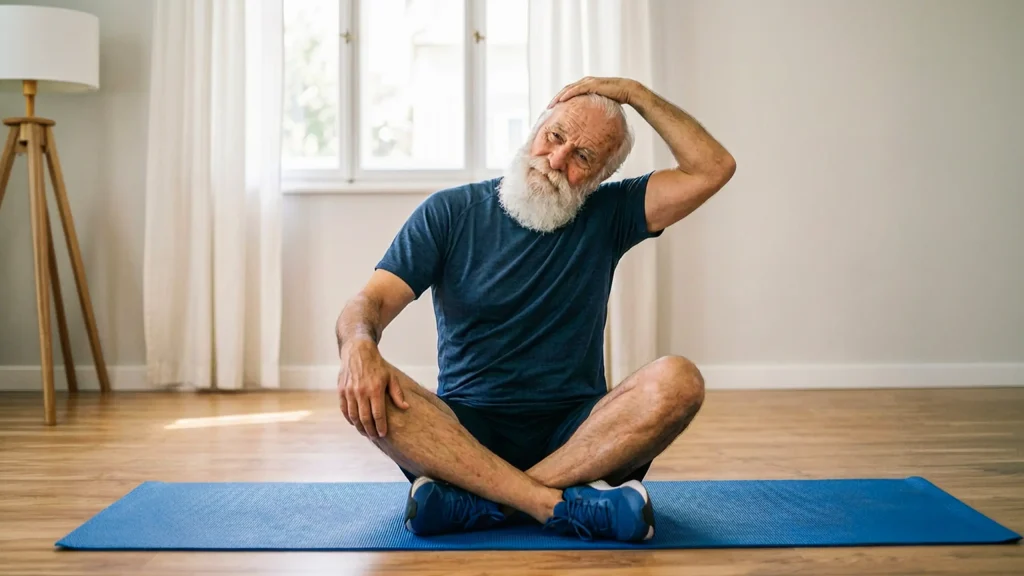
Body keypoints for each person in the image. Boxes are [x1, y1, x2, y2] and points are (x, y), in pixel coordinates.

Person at [335, 76, 735, 542]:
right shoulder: (450, 212)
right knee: (368, 386)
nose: (557, 160)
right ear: (534, 130)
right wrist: (360, 345)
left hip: (581, 437)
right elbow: (371, 301)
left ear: (603, 173)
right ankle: (556, 504)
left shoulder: (611, 212)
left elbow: (712, 167)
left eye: (583, 157)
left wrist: (635, 93)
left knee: (679, 381)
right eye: (555, 137)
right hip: (464, 434)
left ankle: (483, 501)